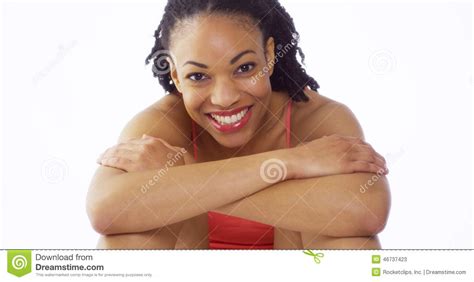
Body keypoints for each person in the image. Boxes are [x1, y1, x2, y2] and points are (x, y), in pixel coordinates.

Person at [86, 0, 391, 250]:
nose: (225, 98)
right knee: (126, 240)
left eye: (245, 68)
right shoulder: (162, 125)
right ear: (176, 77)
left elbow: (366, 211)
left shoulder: (317, 117)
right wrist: (292, 163)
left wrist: (184, 181)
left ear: (269, 56)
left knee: (351, 244)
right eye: (198, 76)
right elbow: (105, 210)